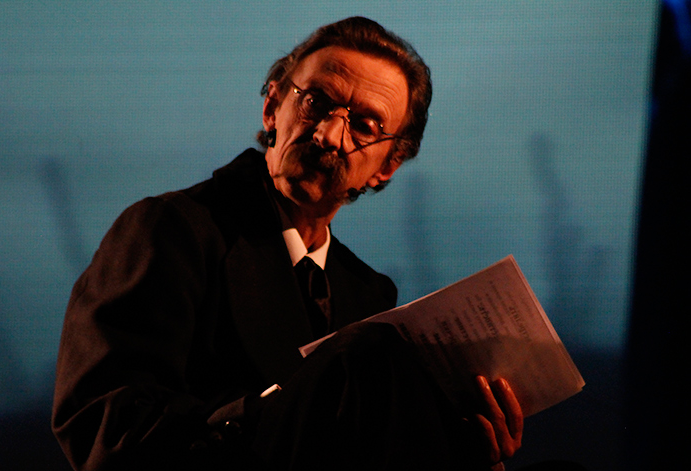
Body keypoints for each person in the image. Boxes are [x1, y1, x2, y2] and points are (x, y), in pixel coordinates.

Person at [52, 17, 526, 471]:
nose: (329, 135)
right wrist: (277, 414)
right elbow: (103, 424)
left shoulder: (369, 295)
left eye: (364, 125)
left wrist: (463, 452)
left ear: (387, 167)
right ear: (272, 108)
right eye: (316, 102)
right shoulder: (170, 230)